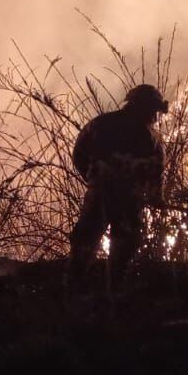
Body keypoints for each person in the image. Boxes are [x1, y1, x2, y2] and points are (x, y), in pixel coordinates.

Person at [68, 83, 168, 278]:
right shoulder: (152, 139)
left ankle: (76, 291)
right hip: (128, 201)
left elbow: (79, 153)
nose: (155, 117)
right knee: (122, 252)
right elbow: (155, 174)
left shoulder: (100, 124)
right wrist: (156, 197)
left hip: (102, 196)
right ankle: (112, 291)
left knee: (85, 245)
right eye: (154, 111)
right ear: (147, 109)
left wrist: (92, 179)